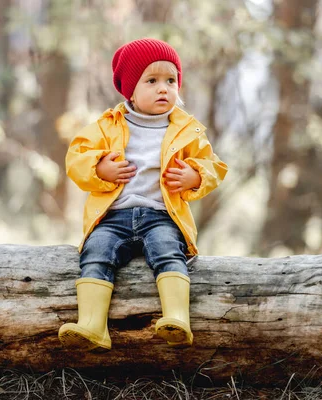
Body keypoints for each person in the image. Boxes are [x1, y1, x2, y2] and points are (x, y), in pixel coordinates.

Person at [59, 38, 227, 351]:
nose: (164, 88)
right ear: (131, 92)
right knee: (96, 252)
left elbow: (214, 166)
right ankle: (92, 325)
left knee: (168, 251)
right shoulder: (107, 126)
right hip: (113, 217)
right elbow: (75, 158)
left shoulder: (187, 129)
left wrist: (195, 175)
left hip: (161, 216)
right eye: (151, 81)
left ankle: (177, 318)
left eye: (171, 80)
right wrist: (99, 167)